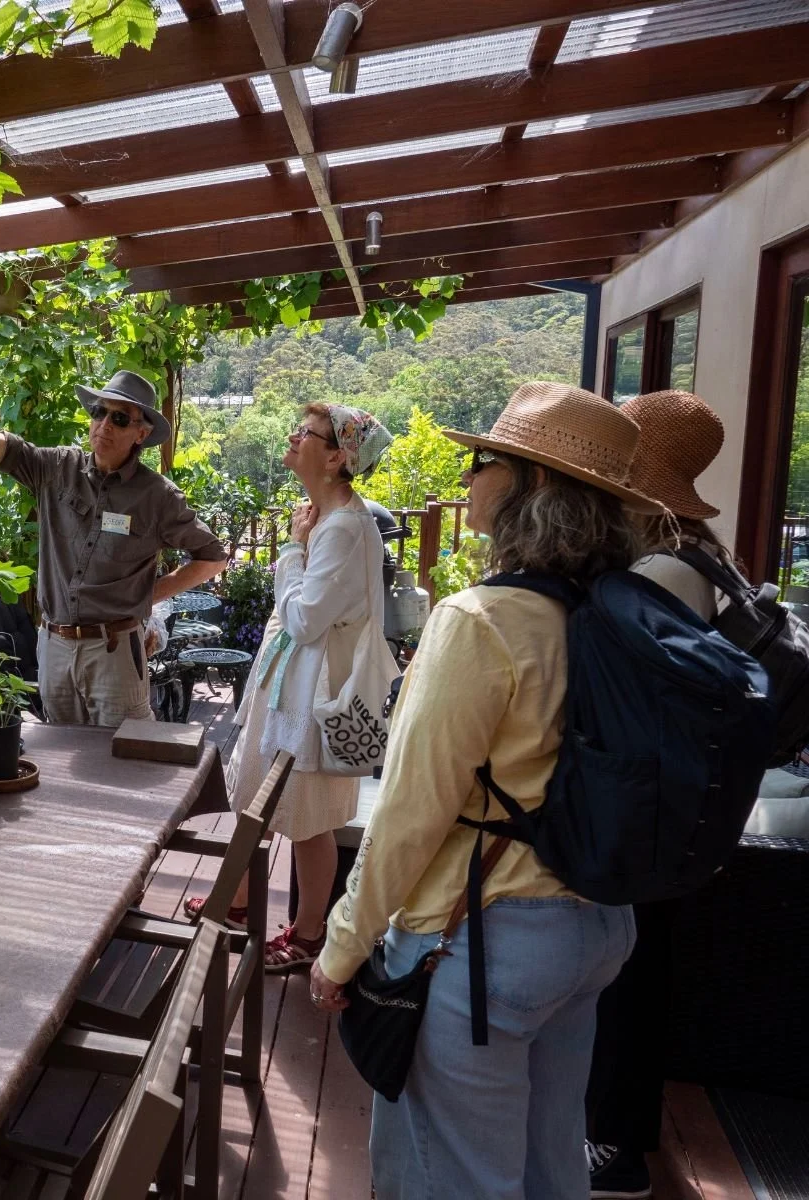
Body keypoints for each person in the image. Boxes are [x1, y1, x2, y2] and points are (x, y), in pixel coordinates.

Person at [309, 382, 655, 1200]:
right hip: (597, 927)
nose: (466, 479)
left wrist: (341, 950)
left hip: (486, 939)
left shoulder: (483, 621)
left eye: (481, 462)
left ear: (531, 486)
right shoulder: (618, 612)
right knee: (549, 1167)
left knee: (452, 1178)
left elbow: (408, 814)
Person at [0, 310, 229, 727]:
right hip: (54, 647)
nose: (103, 425)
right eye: (99, 412)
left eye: (119, 418)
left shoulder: (156, 496)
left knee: (121, 766)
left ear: (141, 433)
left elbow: (213, 557)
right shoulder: (54, 469)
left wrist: (149, 596)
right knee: (60, 766)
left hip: (115, 651)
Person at [186, 403, 394, 975]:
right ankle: (242, 898)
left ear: (336, 457)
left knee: (308, 818)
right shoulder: (331, 520)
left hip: (310, 694)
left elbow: (303, 621)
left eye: (306, 433)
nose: (293, 436)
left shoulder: (344, 529)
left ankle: (307, 934)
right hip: (292, 688)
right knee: (263, 799)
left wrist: (292, 550)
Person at [585, 389, 728, 1200]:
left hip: (655, 808)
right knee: (635, 968)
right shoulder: (697, 555)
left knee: (632, 976)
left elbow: (634, 696)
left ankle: (620, 1145)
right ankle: (613, 1130)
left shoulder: (664, 569)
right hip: (675, 799)